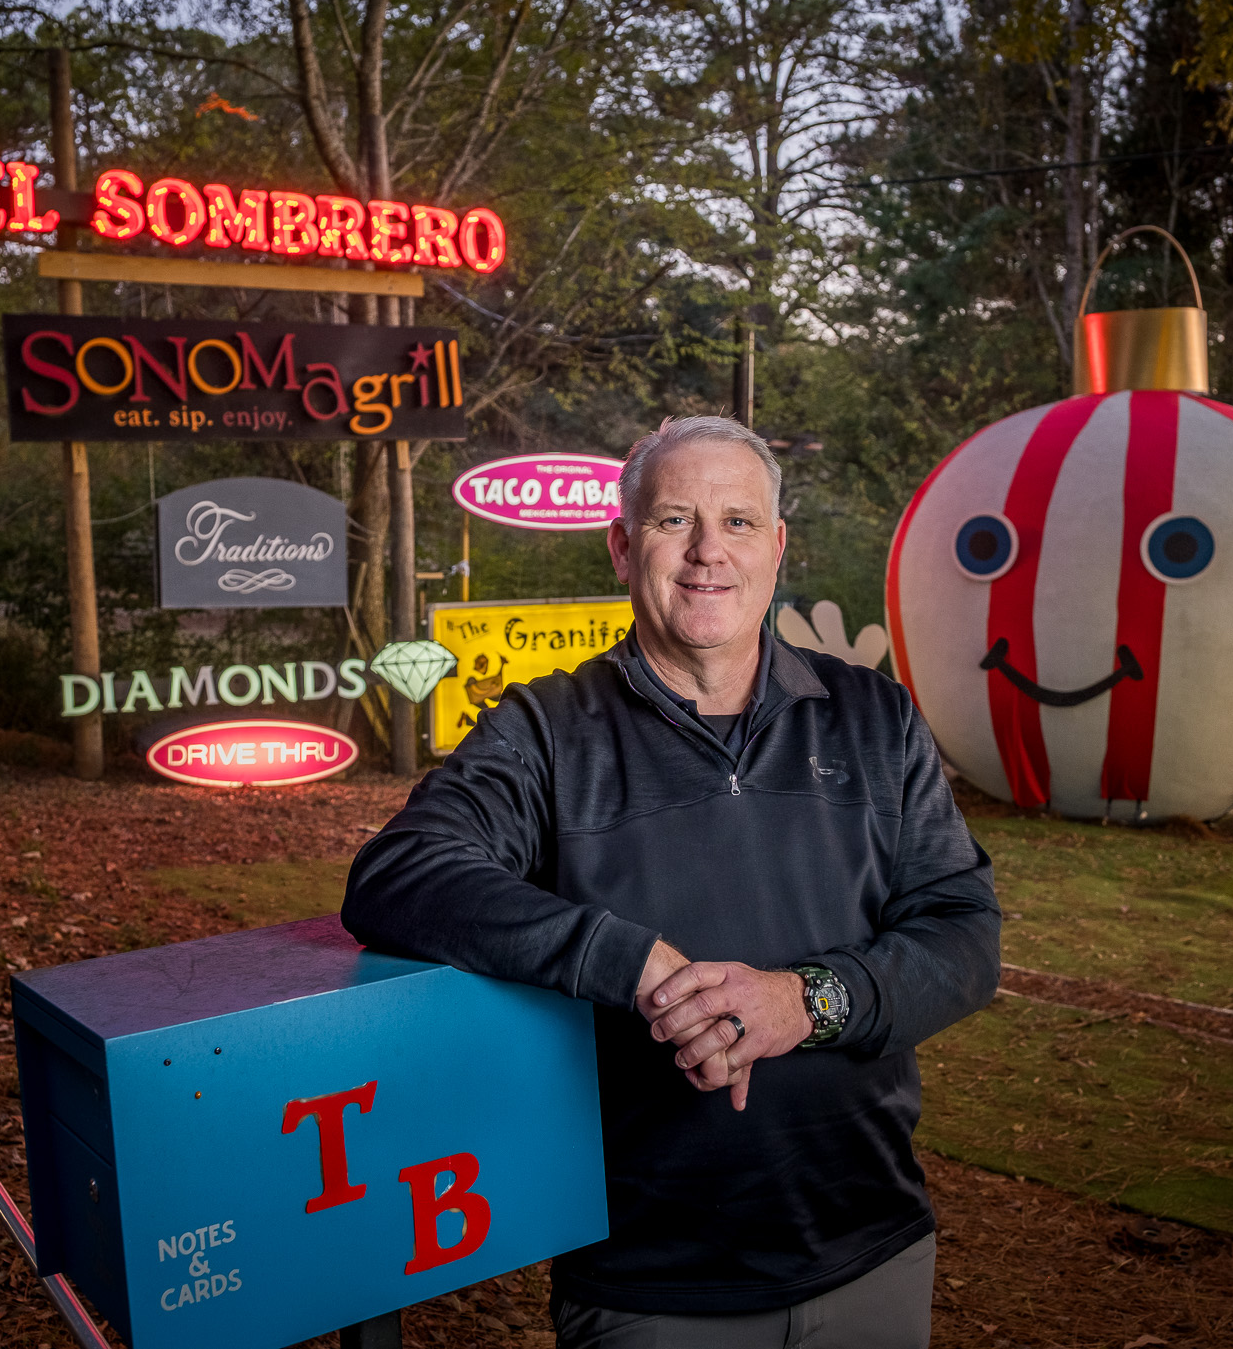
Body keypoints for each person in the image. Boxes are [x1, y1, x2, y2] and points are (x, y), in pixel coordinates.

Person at [343, 415, 999, 1348]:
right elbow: (400, 874)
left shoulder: (873, 718)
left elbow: (964, 934)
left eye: (737, 522)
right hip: (650, 1285)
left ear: (776, 548)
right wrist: (635, 962)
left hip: (873, 1250)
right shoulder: (548, 730)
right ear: (621, 544)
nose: (705, 553)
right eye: (671, 520)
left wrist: (803, 1001)